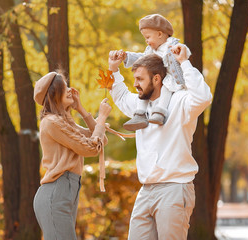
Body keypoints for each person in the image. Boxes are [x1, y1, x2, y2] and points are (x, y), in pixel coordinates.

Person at [108, 44, 212, 239]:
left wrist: (184, 63)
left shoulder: (180, 101)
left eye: (140, 79)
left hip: (174, 188)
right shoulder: (141, 106)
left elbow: (203, 97)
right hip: (146, 190)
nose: (135, 84)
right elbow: (121, 95)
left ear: (156, 79)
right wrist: (114, 69)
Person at [32, 71, 111, 240]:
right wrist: (102, 118)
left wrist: (81, 110)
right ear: (54, 93)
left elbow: (100, 140)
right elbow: (90, 149)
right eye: (64, 87)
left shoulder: (64, 122)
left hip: (66, 191)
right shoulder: (52, 122)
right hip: (57, 191)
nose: (70, 90)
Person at [113, 13, 192, 131]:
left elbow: (185, 52)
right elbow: (142, 58)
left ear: (160, 34)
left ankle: (160, 113)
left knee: (166, 88)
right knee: (145, 90)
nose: (146, 41)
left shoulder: (172, 45)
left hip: (169, 79)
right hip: (155, 80)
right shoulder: (150, 50)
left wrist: (179, 51)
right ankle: (140, 114)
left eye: (148, 37)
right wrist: (126, 56)